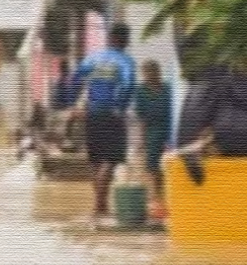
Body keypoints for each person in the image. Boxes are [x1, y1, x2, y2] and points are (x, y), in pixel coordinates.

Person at [69, 22, 137, 224]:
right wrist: (121, 107)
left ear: (110, 38)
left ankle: (101, 205)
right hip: (112, 114)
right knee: (111, 158)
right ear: (122, 39)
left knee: (96, 159)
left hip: (92, 113)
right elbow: (127, 85)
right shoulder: (125, 61)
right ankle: (99, 205)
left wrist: (77, 104)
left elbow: (74, 80)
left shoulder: (93, 58)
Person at [133, 60, 175, 219]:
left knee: (169, 163)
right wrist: (142, 140)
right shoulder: (140, 91)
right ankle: (157, 197)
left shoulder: (168, 89)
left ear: (158, 72)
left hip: (169, 130)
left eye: (152, 71)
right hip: (152, 132)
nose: (149, 75)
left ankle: (165, 196)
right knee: (152, 166)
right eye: (146, 72)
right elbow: (141, 118)